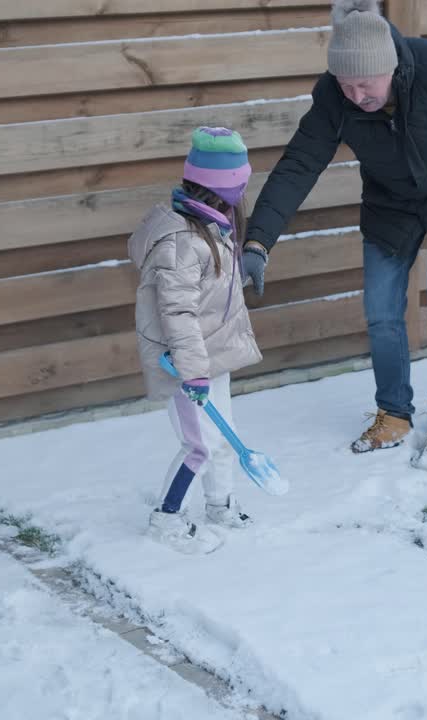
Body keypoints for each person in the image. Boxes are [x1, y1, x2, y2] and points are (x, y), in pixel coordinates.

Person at [241, 0, 427, 464]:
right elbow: (298, 165)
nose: (357, 96)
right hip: (391, 206)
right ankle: (394, 412)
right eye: (347, 85)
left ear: (391, 66)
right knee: (381, 312)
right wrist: (259, 241)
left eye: (366, 84)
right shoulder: (333, 99)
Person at [127, 127, 263, 553]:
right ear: (231, 188)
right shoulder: (183, 241)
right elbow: (178, 314)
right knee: (198, 445)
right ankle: (166, 518)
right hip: (186, 364)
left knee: (222, 435)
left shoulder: (209, 226)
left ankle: (219, 503)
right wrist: (193, 371)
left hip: (209, 357)